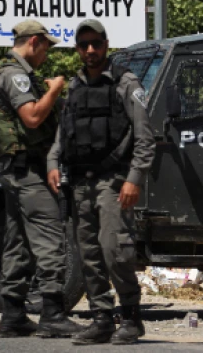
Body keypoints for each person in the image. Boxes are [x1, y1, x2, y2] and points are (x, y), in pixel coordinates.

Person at [47, 19, 155, 345]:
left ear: (106, 44)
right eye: (84, 45)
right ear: (78, 49)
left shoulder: (126, 83)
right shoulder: (75, 87)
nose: (90, 50)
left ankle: (132, 317)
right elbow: (63, 132)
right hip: (80, 183)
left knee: (115, 250)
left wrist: (134, 178)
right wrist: (53, 161)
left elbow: (145, 137)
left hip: (113, 182)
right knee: (88, 254)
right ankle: (101, 318)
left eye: (96, 43)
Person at [0, 20, 82, 338]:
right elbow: (33, 116)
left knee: (19, 242)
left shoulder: (4, 71)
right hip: (27, 172)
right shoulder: (14, 75)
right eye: (46, 48)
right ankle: (53, 313)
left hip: (15, 170)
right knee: (51, 237)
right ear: (35, 42)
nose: (47, 55)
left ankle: (12, 315)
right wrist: (54, 90)